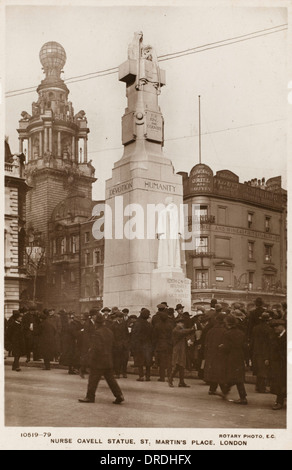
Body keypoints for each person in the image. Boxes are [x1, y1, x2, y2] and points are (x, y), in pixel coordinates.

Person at [78, 313, 124, 405]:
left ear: (96, 323)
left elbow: (96, 349)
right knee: (111, 380)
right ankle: (119, 395)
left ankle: (90, 397)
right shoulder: (109, 331)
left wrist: (88, 361)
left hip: (98, 361)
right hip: (108, 360)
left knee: (92, 380)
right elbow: (113, 346)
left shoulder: (97, 333)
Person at [219, 315, 248, 405]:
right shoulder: (241, 333)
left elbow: (227, 347)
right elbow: (245, 346)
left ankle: (242, 398)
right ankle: (225, 391)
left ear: (227, 324)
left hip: (231, 357)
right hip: (240, 356)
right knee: (237, 377)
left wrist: (221, 347)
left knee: (234, 377)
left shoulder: (227, 334)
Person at [204, 313, 227, 396]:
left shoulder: (211, 331)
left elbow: (206, 343)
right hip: (220, 354)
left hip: (211, 354)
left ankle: (212, 389)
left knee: (213, 371)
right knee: (220, 372)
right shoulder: (225, 331)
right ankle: (224, 390)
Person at [168, 317, 194, 388]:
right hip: (178, 350)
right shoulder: (176, 330)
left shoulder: (179, 329)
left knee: (181, 365)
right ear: (177, 323)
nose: (182, 324)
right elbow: (183, 332)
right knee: (178, 364)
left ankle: (181, 382)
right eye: (181, 323)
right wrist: (192, 329)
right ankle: (170, 379)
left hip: (180, 349)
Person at [250, 312, 272, 393]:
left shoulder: (255, 328)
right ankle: (262, 388)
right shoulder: (269, 329)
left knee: (258, 369)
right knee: (263, 370)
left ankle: (258, 386)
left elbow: (252, 340)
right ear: (267, 320)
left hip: (256, 350)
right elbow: (269, 342)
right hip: (264, 351)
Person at [131, 308, 153, 382]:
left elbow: (134, 335)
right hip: (148, 345)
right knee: (148, 361)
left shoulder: (137, 324)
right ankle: (148, 376)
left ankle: (141, 376)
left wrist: (133, 345)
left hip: (139, 345)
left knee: (140, 361)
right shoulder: (148, 324)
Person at [269, 319, 287, 410]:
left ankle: (279, 402)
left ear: (282, 326)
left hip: (285, 363)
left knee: (283, 382)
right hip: (279, 363)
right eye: (273, 327)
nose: (274, 328)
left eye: (276, 326)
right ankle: (280, 400)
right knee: (280, 382)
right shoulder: (276, 336)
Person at [153, 310, 173, 382]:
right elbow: (172, 335)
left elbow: (154, 336)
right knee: (169, 362)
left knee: (161, 362)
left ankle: (162, 377)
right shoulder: (170, 325)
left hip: (160, 344)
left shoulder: (157, 325)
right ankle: (170, 376)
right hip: (168, 344)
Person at [111, 311, 130, 378]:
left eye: (121, 317)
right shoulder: (113, 325)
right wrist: (115, 343)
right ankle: (117, 373)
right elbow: (112, 336)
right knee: (117, 360)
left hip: (124, 345)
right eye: (119, 317)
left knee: (125, 359)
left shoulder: (124, 324)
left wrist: (126, 342)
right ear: (116, 318)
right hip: (117, 345)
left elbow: (127, 334)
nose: (120, 319)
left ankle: (124, 372)